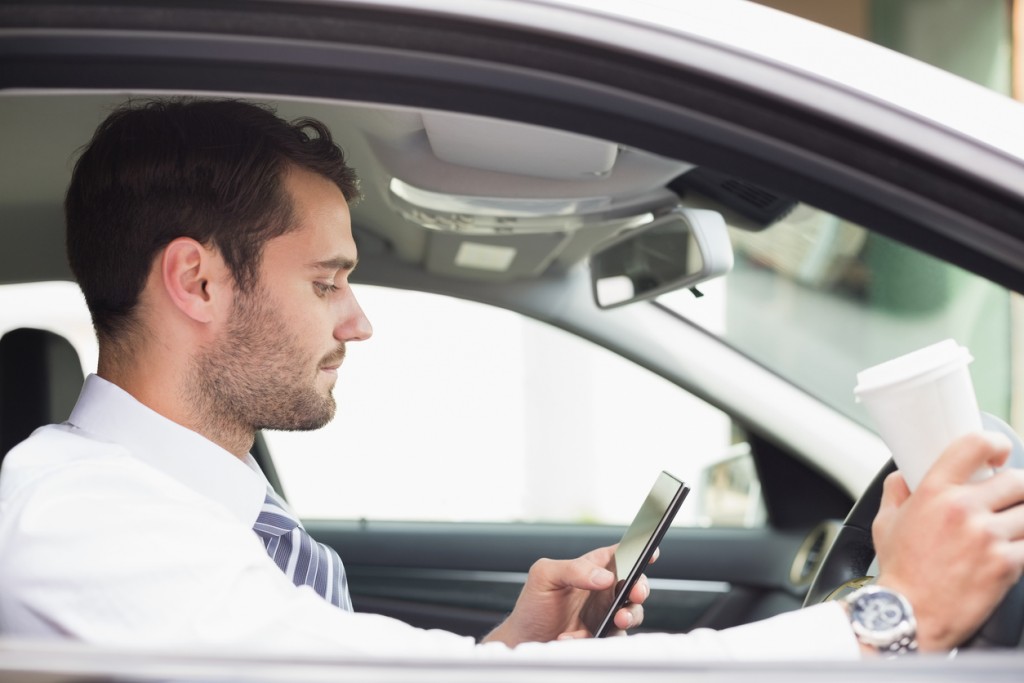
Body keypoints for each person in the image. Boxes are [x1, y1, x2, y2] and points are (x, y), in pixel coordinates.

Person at [0, 98, 1022, 662]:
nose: (358, 319)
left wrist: (506, 640)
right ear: (197, 279)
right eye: (326, 282)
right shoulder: (77, 517)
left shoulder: (189, 509)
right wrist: (889, 611)